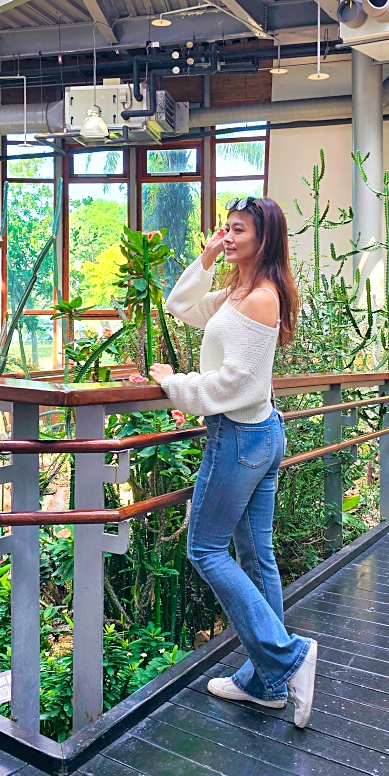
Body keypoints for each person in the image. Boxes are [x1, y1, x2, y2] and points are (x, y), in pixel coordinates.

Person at [148, 195, 318, 729]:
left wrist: (171, 384)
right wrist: (204, 257)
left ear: (263, 239)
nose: (228, 236)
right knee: (254, 554)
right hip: (258, 433)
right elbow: (181, 306)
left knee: (205, 548)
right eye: (225, 227)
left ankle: (287, 656)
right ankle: (266, 684)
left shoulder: (261, 297)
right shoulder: (238, 290)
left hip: (240, 437)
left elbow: (233, 383)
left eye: (238, 230)